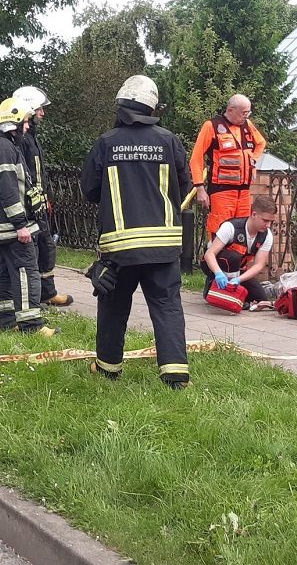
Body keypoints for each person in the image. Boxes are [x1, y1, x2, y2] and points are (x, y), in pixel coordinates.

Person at [81, 75, 193, 389]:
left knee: (114, 306)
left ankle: (107, 368)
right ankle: (175, 375)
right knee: (167, 305)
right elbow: (183, 184)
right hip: (163, 244)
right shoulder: (168, 140)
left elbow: (89, 189)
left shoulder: (106, 142)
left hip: (121, 245)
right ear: (152, 107)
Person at [0, 97, 58, 337]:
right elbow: (7, 187)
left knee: (6, 269)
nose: (27, 126)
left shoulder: (3, 145)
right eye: (24, 121)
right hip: (12, 225)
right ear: (13, 122)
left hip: (6, 225)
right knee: (27, 269)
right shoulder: (3, 147)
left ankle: (5, 319)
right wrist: (21, 224)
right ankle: (31, 324)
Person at [14, 85, 73, 307]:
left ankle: (47, 292)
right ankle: (35, 295)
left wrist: (45, 196)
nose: (42, 113)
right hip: (29, 206)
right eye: (39, 109)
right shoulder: (22, 139)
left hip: (39, 204)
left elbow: (39, 172)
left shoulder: (32, 138)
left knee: (46, 247)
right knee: (35, 250)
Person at [190, 94, 267, 238]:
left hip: (244, 192)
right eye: (244, 113)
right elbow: (196, 158)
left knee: (243, 232)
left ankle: (238, 260)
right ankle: (215, 259)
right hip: (221, 191)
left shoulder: (247, 125)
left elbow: (261, 143)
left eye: (248, 112)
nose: (247, 116)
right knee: (221, 231)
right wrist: (199, 187)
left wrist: (252, 161)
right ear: (231, 110)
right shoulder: (211, 126)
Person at [201, 194, 278, 310]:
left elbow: (259, 265)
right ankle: (214, 287)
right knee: (233, 257)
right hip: (214, 265)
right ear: (254, 214)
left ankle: (232, 293)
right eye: (265, 221)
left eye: (271, 222)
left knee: (261, 298)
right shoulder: (231, 227)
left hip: (238, 270)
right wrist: (218, 273)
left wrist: (239, 280)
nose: (268, 225)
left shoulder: (266, 236)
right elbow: (209, 254)